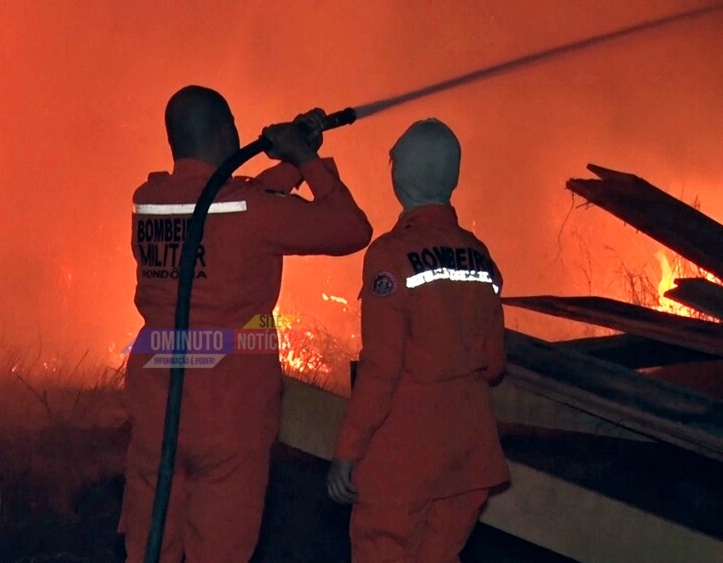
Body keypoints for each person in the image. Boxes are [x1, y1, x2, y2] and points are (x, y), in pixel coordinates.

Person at [120, 85, 372, 562]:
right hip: (229, 419)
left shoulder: (148, 203)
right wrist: (308, 163)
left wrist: (296, 162)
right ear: (223, 133)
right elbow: (351, 228)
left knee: (150, 548)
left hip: (157, 415)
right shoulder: (252, 213)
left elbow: (233, 202)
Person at [327, 118, 510, 562]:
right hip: (466, 459)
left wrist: (347, 451)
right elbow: (494, 363)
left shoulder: (390, 256)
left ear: (397, 179)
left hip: (402, 463)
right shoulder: (480, 255)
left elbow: (381, 370)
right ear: (455, 179)